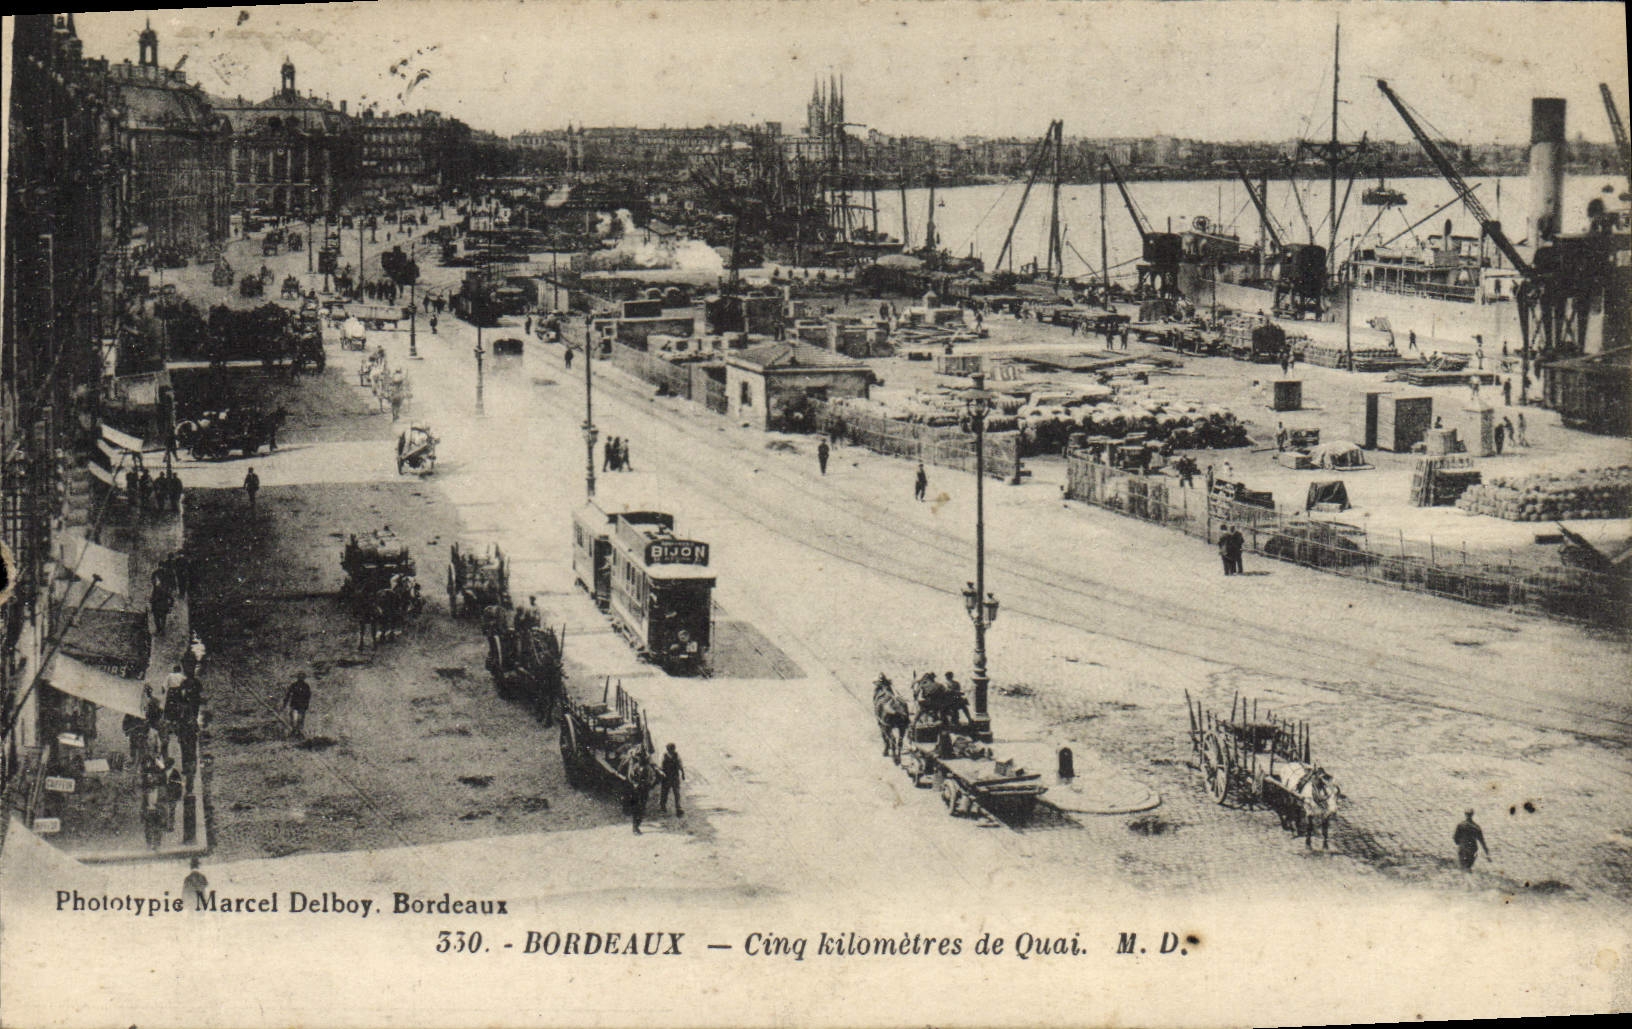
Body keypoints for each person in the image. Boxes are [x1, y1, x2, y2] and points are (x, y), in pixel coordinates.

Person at [1454, 810, 1490, 878]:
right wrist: (1487, 853)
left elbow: (1455, 839)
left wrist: (1460, 843)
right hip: (1472, 849)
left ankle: (1463, 881)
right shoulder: (1476, 827)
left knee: (1462, 867)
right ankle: (1469, 881)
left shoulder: (1460, 825)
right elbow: (1482, 841)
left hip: (1463, 848)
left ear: (1465, 814)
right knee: (1468, 867)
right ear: (1472, 815)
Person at [659, 743, 685, 817]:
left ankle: (678, 808)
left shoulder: (677, 755)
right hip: (666, 777)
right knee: (664, 793)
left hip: (674, 777)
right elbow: (661, 766)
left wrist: (683, 774)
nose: (671, 750)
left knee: (677, 793)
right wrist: (661, 774)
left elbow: (680, 765)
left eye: (672, 749)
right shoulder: (664, 756)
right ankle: (662, 807)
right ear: (667, 749)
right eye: (670, 749)